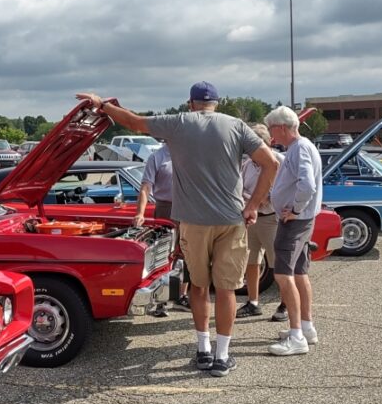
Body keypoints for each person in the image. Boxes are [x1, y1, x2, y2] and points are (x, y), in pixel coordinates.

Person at [75, 83, 279, 377]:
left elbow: (134, 122)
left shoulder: (179, 123)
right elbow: (270, 163)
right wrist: (254, 206)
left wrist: (101, 104)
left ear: (191, 103)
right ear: (216, 104)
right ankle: (222, 356)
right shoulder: (236, 126)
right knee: (226, 290)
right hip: (231, 220)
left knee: (197, 286)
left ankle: (203, 350)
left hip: (193, 222)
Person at [264, 106, 323, 356]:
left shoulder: (299, 148)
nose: (270, 134)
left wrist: (296, 210)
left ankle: (297, 335)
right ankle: (306, 328)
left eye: (271, 129)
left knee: (283, 275)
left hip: (295, 222)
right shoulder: (300, 147)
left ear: (282, 127)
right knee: (299, 273)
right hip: (300, 221)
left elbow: (307, 184)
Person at [133, 145, 190, 316]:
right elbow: (145, 187)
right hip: (165, 209)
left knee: (188, 253)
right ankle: (161, 301)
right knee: (164, 255)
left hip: (188, 209)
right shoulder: (157, 157)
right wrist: (140, 213)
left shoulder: (189, 152)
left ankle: (181, 295)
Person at [235, 124, 283, 319]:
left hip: (271, 219)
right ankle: (253, 302)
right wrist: (250, 198)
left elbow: (287, 187)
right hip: (251, 219)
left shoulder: (279, 161)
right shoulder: (247, 164)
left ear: (266, 143)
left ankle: (285, 304)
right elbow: (241, 187)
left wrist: (268, 197)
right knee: (251, 262)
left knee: (277, 264)